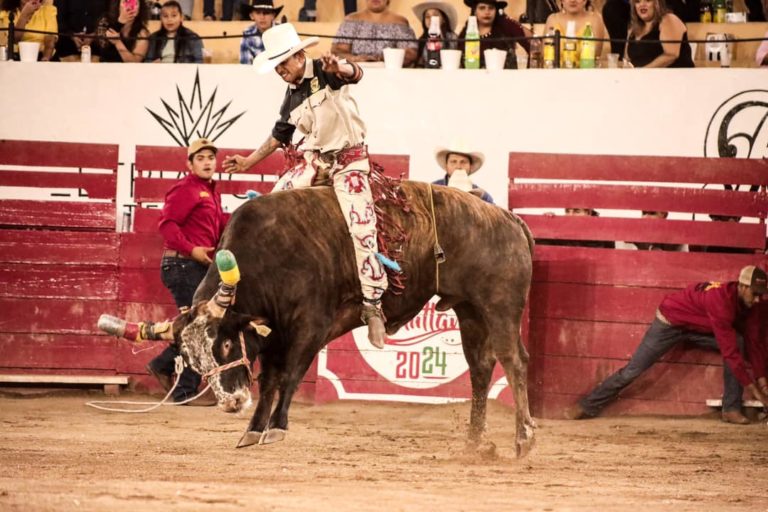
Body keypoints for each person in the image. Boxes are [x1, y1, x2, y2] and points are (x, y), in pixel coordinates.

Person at [222, 23, 389, 349]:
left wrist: (338, 65)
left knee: (362, 225)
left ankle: (372, 306)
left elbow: (355, 74)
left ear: (300, 55)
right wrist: (248, 162)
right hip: (314, 161)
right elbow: (279, 135)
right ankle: (260, 290)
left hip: (349, 161)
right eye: (277, 66)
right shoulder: (291, 95)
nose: (281, 70)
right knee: (267, 211)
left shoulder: (326, 71)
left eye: (284, 62)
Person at [565, 265, 768, 424]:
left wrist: (761, 379)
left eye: (761, 294)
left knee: (739, 342)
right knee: (632, 371)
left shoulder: (752, 306)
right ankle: (587, 405)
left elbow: (755, 342)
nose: (758, 299)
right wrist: (758, 394)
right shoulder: (721, 301)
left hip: (698, 327)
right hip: (669, 323)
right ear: (742, 287)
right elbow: (730, 353)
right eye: (755, 294)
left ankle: (731, 409)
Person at [144, 138, 231, 406]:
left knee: (199, 326)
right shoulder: (185, 189)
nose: (207, 162)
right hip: (183, 265)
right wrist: (192, 249)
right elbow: (167, 226)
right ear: (190, 164)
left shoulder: (211, 194)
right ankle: (182, 390)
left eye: (210, 158)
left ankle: (164, 366)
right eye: (201, 158)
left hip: (193, 266)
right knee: (199, 327)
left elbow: (219, 227)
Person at [331, 0, 418, 66]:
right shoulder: (350, 20)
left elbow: (410, 55)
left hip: (390, 76)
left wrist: (383, 58)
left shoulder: (400, 22)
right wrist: (357, 59)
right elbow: (337, 52)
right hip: (355, 74)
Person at [458, 0, 530, 69]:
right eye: (482, 8)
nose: (487, 12)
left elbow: (533, 43)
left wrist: (509, 21)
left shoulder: (505, 26)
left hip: (506, 79)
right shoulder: (467, 33)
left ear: (496, 10)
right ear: (475, 11)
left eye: (491, 8)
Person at [624, 0, 693, 68]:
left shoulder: (668, 19)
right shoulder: (633, 29)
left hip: (675, 76)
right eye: (637, 2)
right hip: (643, 77)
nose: (642, 4)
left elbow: (671, 55)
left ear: (657, 4)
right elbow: (627, 60)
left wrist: (642, 72)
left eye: (648, 0)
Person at [412, 1, 459, 68]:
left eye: (435, 15)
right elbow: (419, 64)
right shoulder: (422, 40)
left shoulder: (452, 38)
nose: (431, 19)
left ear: (443, 19)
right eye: (427, 16)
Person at [239, 0, 281, 65]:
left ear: (273, 16)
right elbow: (245, 65)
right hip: (255, 74)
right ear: (251, 16)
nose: (262, 17)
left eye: (266, 13)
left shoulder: (282, 31)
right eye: (258, 13)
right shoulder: (247, 34)